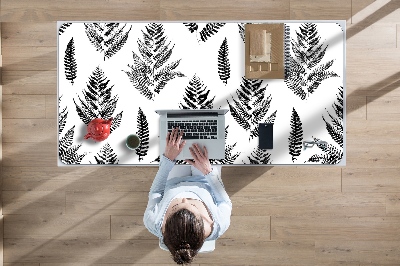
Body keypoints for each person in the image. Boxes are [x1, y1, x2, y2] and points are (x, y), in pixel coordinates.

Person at [144, 127, 232, 264]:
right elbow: (224, 202)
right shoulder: (219, 224)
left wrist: (168, 159)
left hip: (173, 181)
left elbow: (156, 192)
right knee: (210, 136)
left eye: (176, 206)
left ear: (165, 224)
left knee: (173, 141)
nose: (184, 198)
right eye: (192, 205)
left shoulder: (153, 222)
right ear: (204, 222)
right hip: (206, 180)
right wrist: (208, 171)